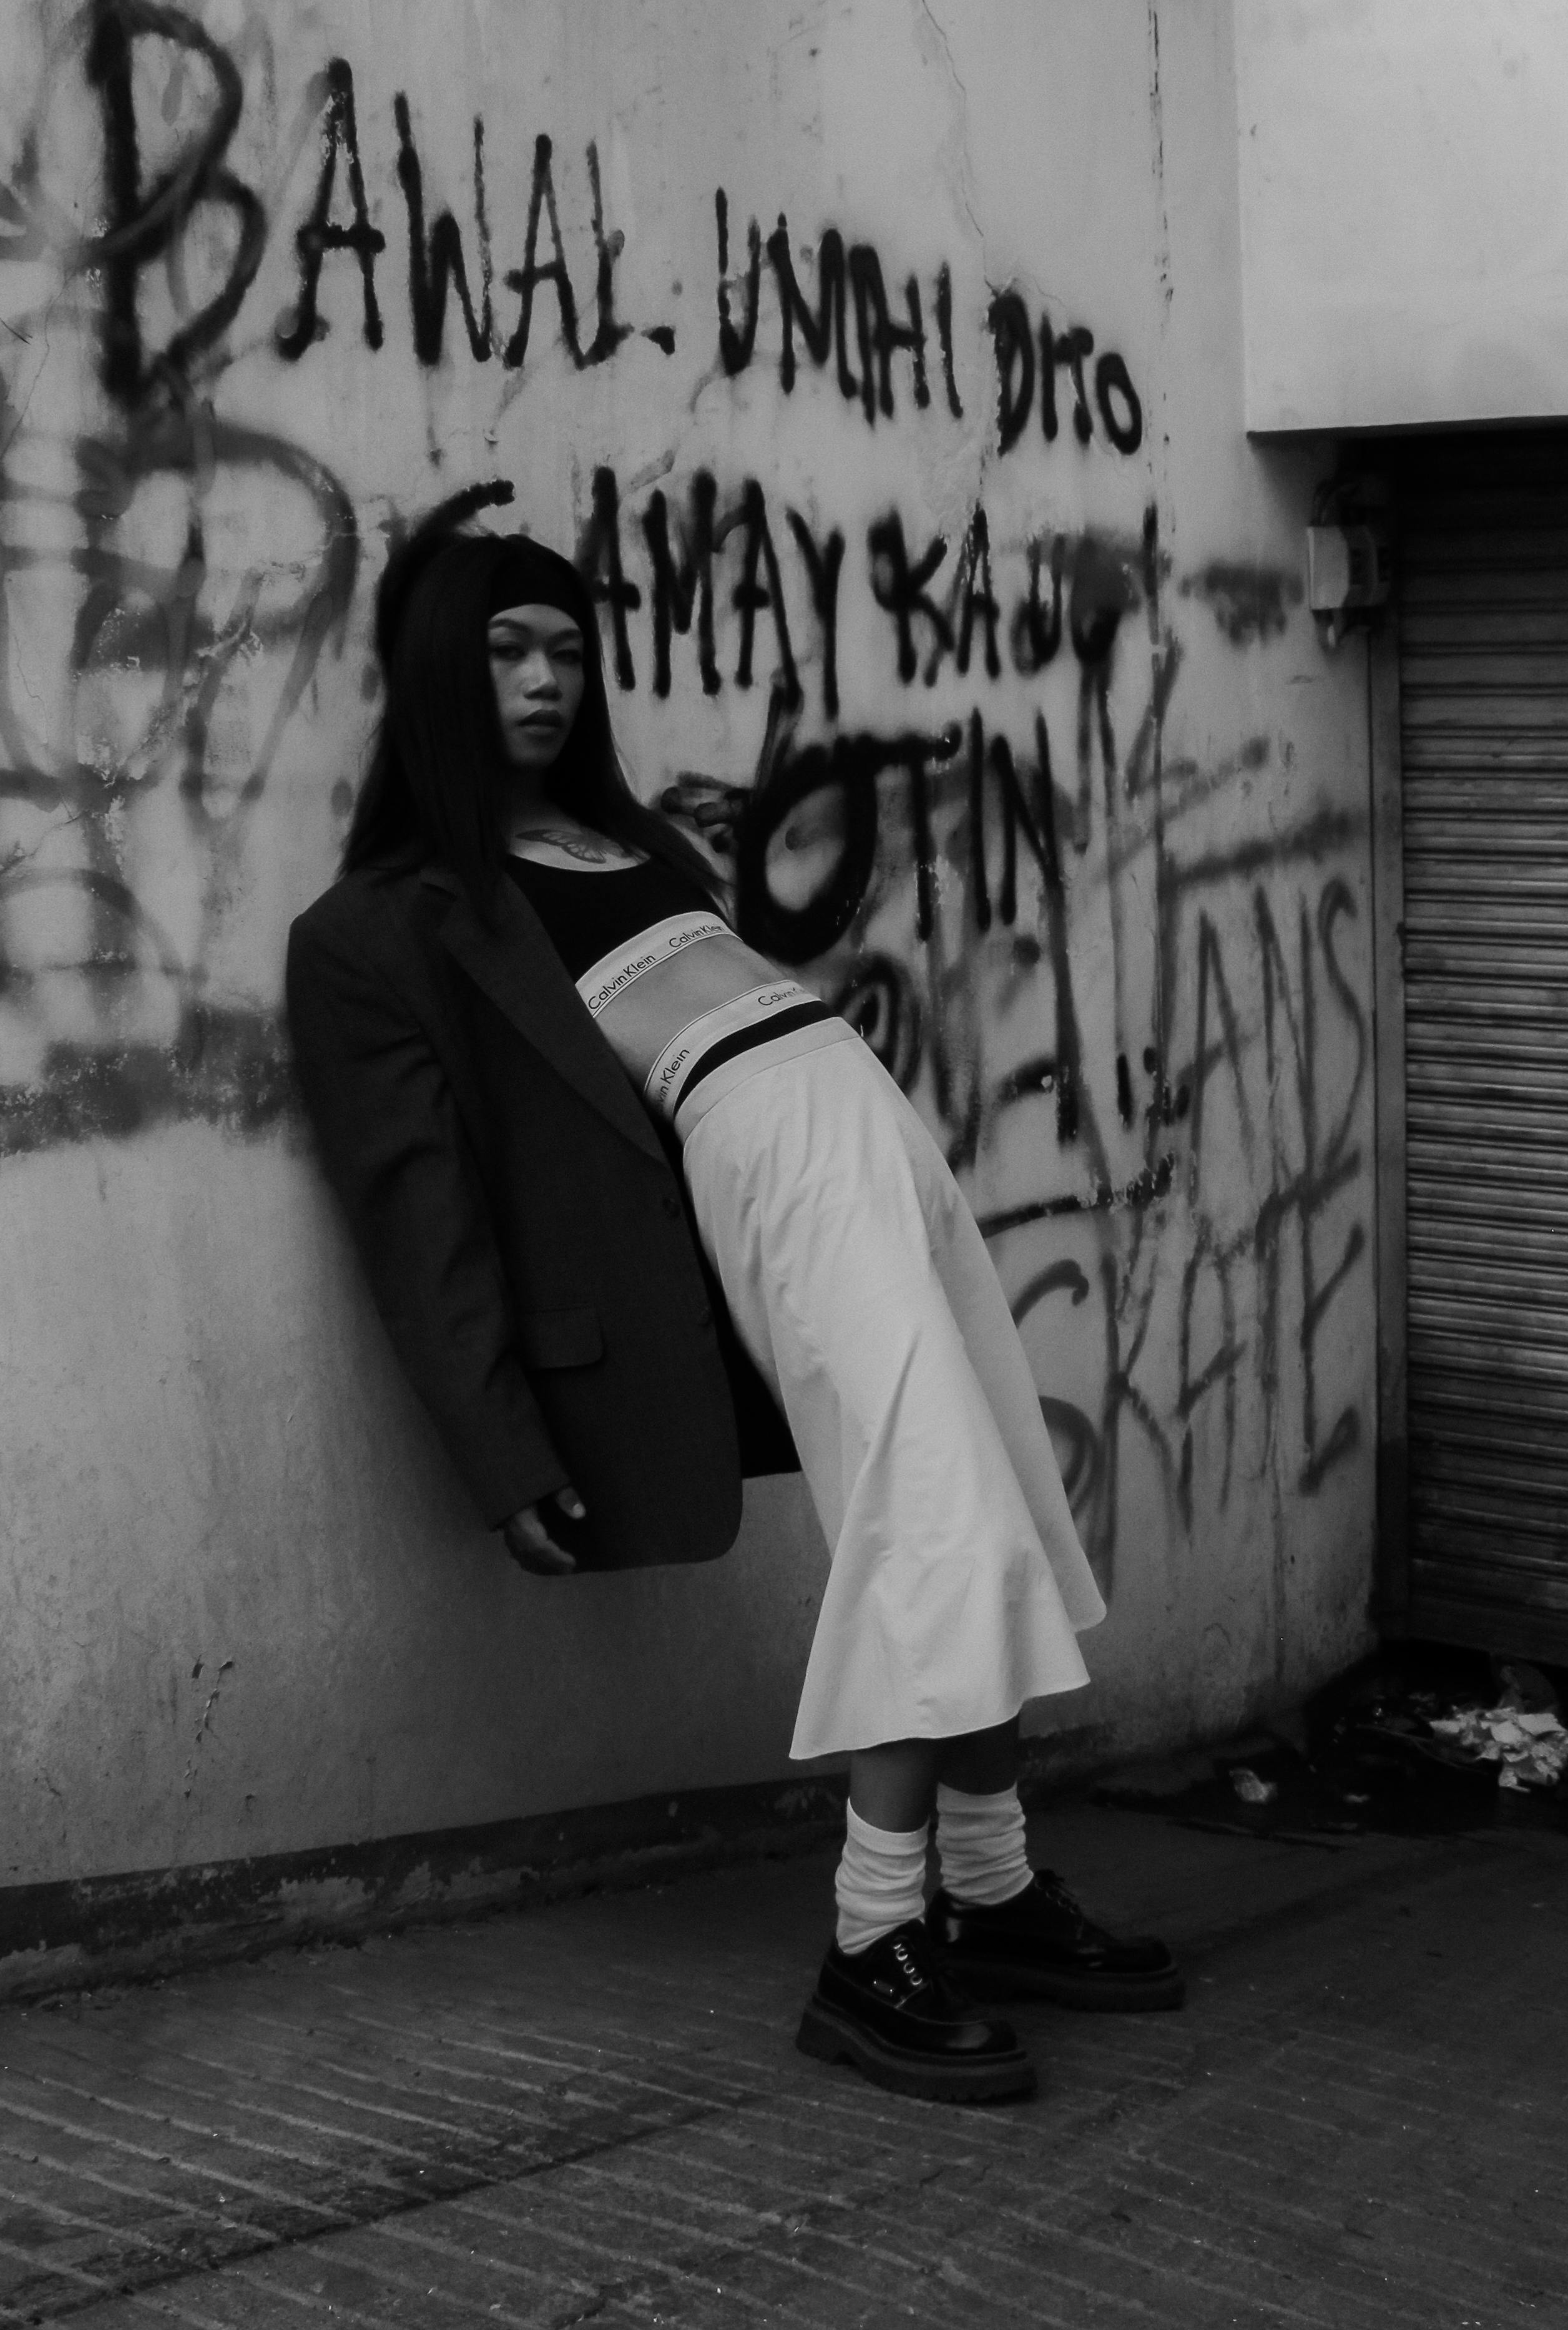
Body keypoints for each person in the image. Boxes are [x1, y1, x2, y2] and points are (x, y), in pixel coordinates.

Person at [287, 488, 1183, 2105]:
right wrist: (501, 1447)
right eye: (504, 651)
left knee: (993, 1507)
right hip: (781, 1180)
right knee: (936, 1526)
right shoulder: (378, 929)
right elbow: (419, 1219)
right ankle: (872, 1943)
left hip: (880, 1150)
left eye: (567, 652)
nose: (545, 682)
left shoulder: (640, 847)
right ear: (434, 671)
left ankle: (987, 1891)